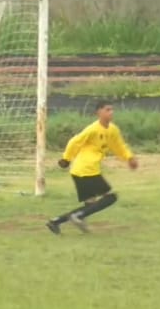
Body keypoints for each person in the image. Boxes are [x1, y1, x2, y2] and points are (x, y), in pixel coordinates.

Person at [46, 100, 138, 234]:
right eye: (107, 110)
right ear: (98, 112)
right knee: (111, 197)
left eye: (112, 109)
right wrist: (66, 158)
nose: (111, 112)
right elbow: (75, 142)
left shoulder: (112, 129)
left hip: (81, 170)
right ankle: (77, 216)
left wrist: (129, 158)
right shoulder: (93, 129)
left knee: (90, 204)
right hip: (86, 170)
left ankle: (55, 221)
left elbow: (119, 146)